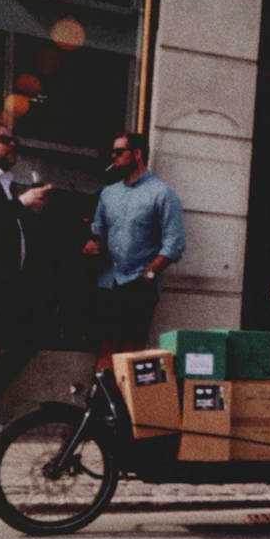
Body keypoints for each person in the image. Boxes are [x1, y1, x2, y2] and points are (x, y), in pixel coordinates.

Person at [82, 132, 186, 367]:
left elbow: (175, 243)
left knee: (131, 353)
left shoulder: (162, 194)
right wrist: (93, 244)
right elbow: (97, 230)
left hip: (138, 285)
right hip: (108, 282)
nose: (114, 156)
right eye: (113, 152)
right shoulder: (109, 194)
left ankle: (126, 402)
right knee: (104, 347)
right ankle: (101, 402)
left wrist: (148, 275)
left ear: (137, 154)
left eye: (119, 151)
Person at [0, 119, 52, 441]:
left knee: (28, 338)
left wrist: (25, 210)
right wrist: (20, 204)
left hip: (7, 285)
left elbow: (7, 225)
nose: (12, 146)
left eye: (14, 141)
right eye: (4, 140)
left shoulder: (6, 183)